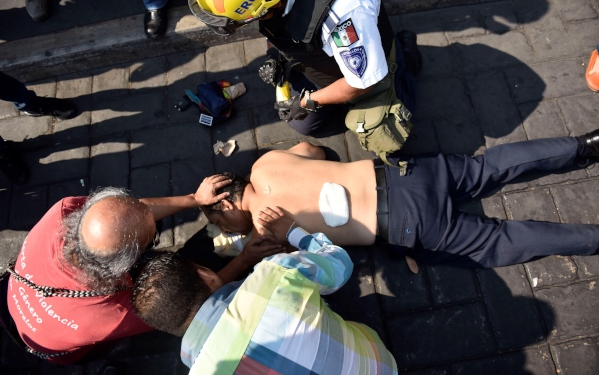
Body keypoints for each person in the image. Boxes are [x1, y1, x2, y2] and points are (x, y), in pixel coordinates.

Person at [199, 130, 599, 269]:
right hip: (399, 173)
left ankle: (592, 238)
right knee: (487, 168)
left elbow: (318, 261)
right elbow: (314, 151)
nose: (227, 229)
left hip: (404, 224)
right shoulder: (267, 164)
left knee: (500, 241)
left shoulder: (264, 234)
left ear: (227, 205)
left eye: (220, 222)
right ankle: (584, 144)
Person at [6, 180, 285, 364]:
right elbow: (188, 305)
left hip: (17, 298)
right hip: (56, 347)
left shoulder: (64, 212)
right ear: (124, 267)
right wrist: (247, 257)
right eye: (151, 242)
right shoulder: (113, 312)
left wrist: (193, 198)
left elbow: (127, 213)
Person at [132, 228, 398, 373]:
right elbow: (340, 263)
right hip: (380, 365)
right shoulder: (278, 272)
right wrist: (296, 233)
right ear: (204, 273)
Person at [188, 0, 420, 136]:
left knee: (384, 132)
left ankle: (406, 56)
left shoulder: (344, 15)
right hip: (322, 61)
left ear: (269, 4)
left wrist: (307, 102)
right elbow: (276, 24)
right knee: (304, 125)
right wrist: (275, 56)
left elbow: (363, 81)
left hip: (367, 70)